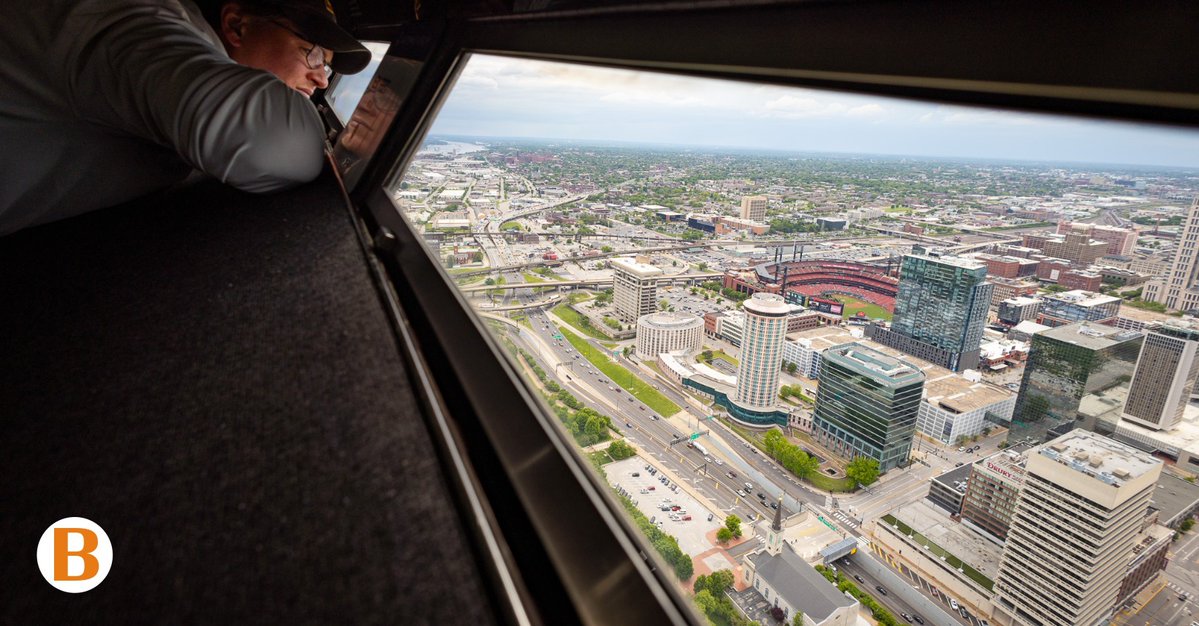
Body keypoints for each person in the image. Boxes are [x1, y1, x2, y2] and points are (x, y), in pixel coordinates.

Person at [0, 0, 370, 236]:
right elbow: (274, 144)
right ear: (237, 25)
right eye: (314, 53)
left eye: (328, 67)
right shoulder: (139, 24)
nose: (322, 78)